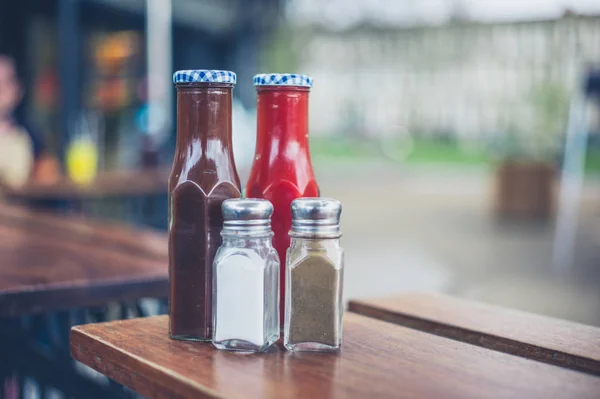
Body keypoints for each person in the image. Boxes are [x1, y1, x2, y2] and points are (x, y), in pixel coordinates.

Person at [0, 55, 58, 188]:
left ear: (18, 90)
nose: (0, 88)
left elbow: (47, 172)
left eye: (6, 81)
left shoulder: (28, 134)